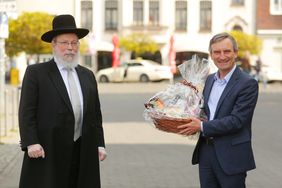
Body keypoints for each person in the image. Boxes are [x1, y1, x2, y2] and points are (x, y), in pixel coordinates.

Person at [18, 14, 106, 188]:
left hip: (82, 149)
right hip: (47, 149)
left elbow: (95, 114)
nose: (70, 48)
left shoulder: (87, 75)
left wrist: (100, 144)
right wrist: (30, 142)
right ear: (54, 45)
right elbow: (26, 111)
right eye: (64, 43)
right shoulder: (37, 73)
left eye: (74, 43)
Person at [178, 32, 258, 188]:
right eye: (217, 52)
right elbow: (207, 112)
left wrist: (201, 126)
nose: (222, 56)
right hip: (206, 152)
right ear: (211, 55)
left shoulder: (247, 84)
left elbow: (237, 121)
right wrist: (188, 116)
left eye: (227, 51)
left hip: (231, 155)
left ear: (235, 53)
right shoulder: (208, 80)